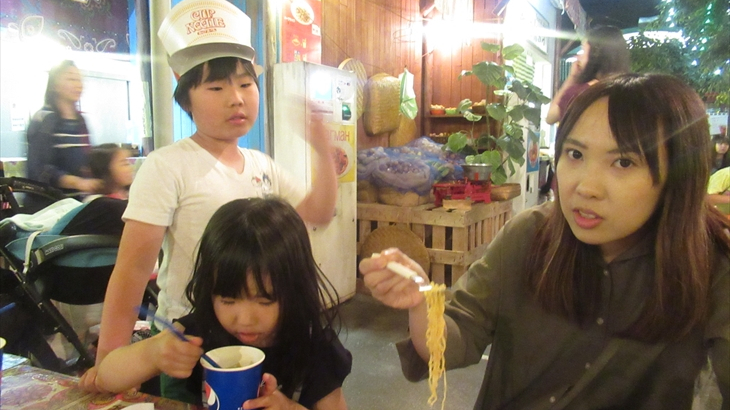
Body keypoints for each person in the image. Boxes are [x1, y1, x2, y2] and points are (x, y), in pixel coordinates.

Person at [359, 73, 729, 409]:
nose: (585, 187)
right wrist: (421, 300)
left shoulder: (711, 268)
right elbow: (456, 338)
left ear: (679, 175)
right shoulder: (530, 236)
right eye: (575, 154)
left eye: (623, 163)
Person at [80, 0, 337, 396]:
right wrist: (109, 363)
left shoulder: (261, 164)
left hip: (264, 335)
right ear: (186, 99)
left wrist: (323, 152)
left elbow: (318, 212)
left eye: (245, 84)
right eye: (216, 87)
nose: (236, 98)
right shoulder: (166, 166)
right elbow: (132, 270)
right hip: (189, 345)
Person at [88, 197, 351, 409]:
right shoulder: (200, 331)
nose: (244, 319)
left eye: (264, 301)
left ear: (295, 289)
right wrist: (153, 354)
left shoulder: (315, 347)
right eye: (228, 299)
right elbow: (106, 377)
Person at [26, 60, 103, 201]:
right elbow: (39, 169)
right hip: (51, 204)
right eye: (71, 79)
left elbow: (86, 160)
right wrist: (77, 182)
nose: (78, 84)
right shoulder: (44, 118)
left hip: (78, 202)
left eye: (79, 80)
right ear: (55, 85)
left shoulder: (80, 120)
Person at [546, 25, 630, 125]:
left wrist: (572, 77)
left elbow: (550, 118)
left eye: (583, 51)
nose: (578, 57)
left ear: (594, 55)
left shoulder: (580, 93)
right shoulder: (631, 93)